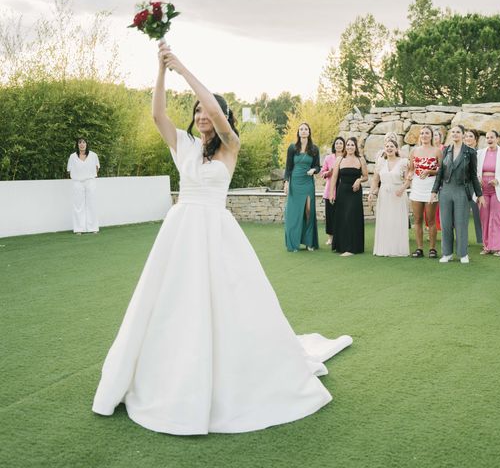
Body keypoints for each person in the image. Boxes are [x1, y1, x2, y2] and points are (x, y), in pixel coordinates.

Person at [92, 41, 352, 436]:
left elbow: (215, 108)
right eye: (196, 111)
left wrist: (183, 66)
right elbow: (157, 113)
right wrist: (161, 69)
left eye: (206, 111)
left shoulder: (231, 147)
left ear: (221, 117)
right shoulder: (184, 146)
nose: (200, 116)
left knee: (229, 303)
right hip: (181, 234)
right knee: (172, 305)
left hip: (216, 230)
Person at [430, 125, 484, 263]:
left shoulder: (470, 152)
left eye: (458, 132)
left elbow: (473, 175)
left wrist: (479, 194)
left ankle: (463, 254)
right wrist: (434, 191)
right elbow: (440, 173)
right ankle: (447, 253)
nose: (455, 134)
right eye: (453, 132)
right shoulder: (446, 150)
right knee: (446, 224)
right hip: (446, 191)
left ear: (463, 135)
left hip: (461, 191)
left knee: (461, 223)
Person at [368, 139, 411, 256]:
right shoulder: (381, 162)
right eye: (387, 146)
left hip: (398, 195)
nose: (389, 148)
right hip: (384, 195)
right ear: (384, 149)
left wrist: (402, 189)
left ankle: (397, 249)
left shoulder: (403, 162)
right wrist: (372, 193)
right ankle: (384, 248)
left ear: (396, 149)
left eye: (392, 146)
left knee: (397, 221)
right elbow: (375, 180)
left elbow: (408, 179)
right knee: (385, 220)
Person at [477, 130, 500, 257]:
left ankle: (498, 247)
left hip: (498, 188)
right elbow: (475, 171)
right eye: (487, 137)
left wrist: (498, 180)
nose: (489, 139)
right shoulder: (480, 153)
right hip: (483, 190)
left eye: (492, 137)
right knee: (484, 217)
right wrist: (478, 179)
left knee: (497, 217)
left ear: (497, 138)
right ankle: (487, 246)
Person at [284, 123, 320, 252]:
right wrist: (286, 182)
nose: (303, 131)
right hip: (295, 181)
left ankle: (309, 242)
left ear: (309, 132)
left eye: (306, 129)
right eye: (301, 129)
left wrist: (313, 170)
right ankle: (293, 243)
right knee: (294, 213)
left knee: (308, 211)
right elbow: (288, 167)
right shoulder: (292, 148)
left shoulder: (314, 149)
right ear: (298, 132)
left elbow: (318, 166)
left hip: (308, 182)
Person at [329, 137, 368, 256]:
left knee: (352, 216)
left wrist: (359, 180)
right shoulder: (340, 159)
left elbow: (366, 176)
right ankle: (342, 245)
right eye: (348, 145)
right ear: (346, 147)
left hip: (355, 192)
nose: (350, 147)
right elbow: (334, 178)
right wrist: (331, 193)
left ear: (356, 147)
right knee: (343, 218)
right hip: (342, 191)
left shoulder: (360, 159)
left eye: (352, 145)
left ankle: (352, 248)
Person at [408, 126, 442, 258]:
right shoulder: (414, 151)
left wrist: (429, 171)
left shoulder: (437, 151)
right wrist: (409, 175)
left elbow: (442, 170)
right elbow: (411, 169)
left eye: (427, 133)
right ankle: (419, 248)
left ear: (431, 135)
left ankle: (432, 249)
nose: (424, 135)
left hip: (431, 188)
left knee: (431, 220)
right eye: (422, 133)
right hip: (417, 187)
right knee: (417, 220)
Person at [67, 138, 100, 234]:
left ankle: (93, 228)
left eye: (84, 142)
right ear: (77, 145)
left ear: (87, 144)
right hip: (77, 182)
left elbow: (97, 167)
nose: (82, 144)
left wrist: (91, 176)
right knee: (78, 205)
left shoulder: (93, 155)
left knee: (92, 204)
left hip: (90, 181)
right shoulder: (72, 156)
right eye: (80, 142)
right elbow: (69, 170)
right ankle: (79, 229)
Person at [319, 137, 345, 245]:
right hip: (330, 190)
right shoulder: (328, 158)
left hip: (343, 189)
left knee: (342, 214)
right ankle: (330, 238)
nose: (338, 145)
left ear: (344, 145)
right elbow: (322, 173)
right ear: (334, 145)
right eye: (337, 143)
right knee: (330, 215)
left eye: (341, 143)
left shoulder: (346, 157)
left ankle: (342, 236)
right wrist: (329, 172)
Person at [463, 129, 484, 245]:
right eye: (466, 136)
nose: (468, 138)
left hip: (475, 185)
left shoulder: (479, 153)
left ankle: (481, 239)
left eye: (470, 136)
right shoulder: (460, 152)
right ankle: (462, 239)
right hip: (463, 185)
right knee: (462, 213)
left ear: (475, 139)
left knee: (478, 213)